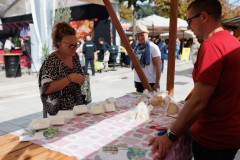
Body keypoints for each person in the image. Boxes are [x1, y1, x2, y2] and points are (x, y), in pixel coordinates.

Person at [149, 1, 240, 160]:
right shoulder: (234, 42)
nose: (189, 27)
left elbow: (199, 101)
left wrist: (170, 135)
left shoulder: (212, 45)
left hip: (213, 138)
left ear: (204, 16)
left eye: (189, 21)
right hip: (230, 134)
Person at [38, 22, 85, 118]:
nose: (74, 48)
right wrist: (69, 78)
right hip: (58, 114)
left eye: (76, 44)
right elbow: (46, 89)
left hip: (76, 109)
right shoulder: (51, 61)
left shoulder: (74, 56)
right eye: (70, 45)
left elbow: (79, 77)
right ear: (59, 44)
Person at [133, 25, 161, 93]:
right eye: (138, 36)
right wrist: (135, 79)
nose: (140, 38)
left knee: (149, 103)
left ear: (147, 34)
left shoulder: (153, 47)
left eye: (142, 35)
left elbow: (158, 65)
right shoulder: (136, 48)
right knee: (139, 102)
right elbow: (136, 66)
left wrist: (157, 83)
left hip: (150, 82)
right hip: (138, 81)